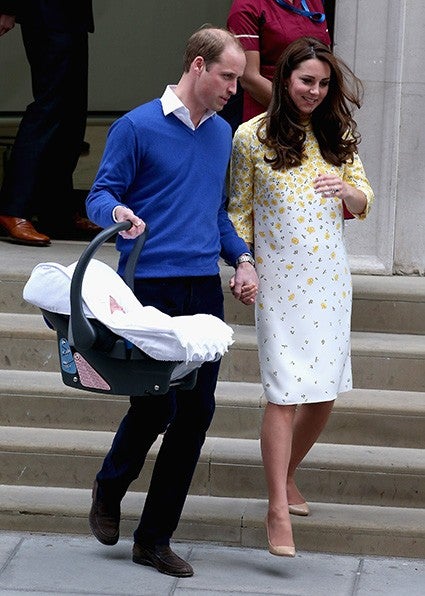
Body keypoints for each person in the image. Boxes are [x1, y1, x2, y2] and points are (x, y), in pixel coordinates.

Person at [85, 26, 259, 578]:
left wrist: (243, 258)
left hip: (202, 288)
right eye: (228, 76)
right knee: (155, 406)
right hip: (148, 288)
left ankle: (154, 538)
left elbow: (215, 212)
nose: (234, 87)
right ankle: (110, 486)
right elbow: (99, 195)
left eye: (237, 78)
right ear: (198, 66)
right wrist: (118, 214)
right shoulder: (136, 126)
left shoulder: (221, 133)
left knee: (196, 412)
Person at [227, 36, 374, 556]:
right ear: (285, 78)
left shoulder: (338, 133)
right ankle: (275, 509)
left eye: (323, 83)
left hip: (329, 280)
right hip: (279, 283)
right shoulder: (251, 136)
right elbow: (238, 211)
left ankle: (287, 474)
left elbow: (364, 198)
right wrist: (242, 262)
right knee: (284, 392)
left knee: (324, 393)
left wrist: (348, 191)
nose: (314, 90)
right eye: (306, 80)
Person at [0, 0, 98, 246]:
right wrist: (7, 7)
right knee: (49, 108)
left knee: (71, 114)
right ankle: (13, 208)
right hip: (45, 11)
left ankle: (57, 212)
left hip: (71, 14)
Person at [225, 0, 331, 127]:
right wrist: (298, 113)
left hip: (315, 115)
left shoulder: (314, 2)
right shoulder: (247, 5)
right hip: (268, 115)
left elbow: (326, 61)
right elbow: (249, 77)